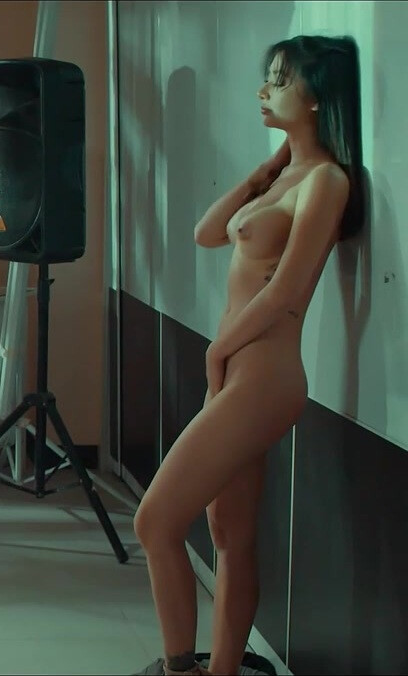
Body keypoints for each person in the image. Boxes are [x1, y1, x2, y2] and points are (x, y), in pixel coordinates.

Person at [132, 35, 363, 676]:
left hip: (264, 376)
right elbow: (208, 232)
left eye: (280, 80)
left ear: (316, 98)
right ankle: (223, 670)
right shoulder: (284, 177)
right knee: (229, 535)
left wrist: (218, 350)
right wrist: (266, 168)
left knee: (155, 522)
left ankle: (181, 670)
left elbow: (287, 293)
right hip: (238, 370)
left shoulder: (327, 181)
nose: (264, 90)